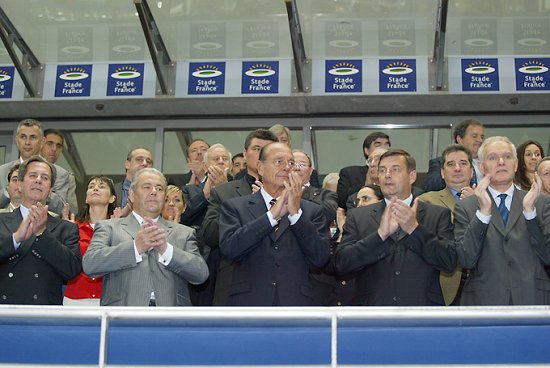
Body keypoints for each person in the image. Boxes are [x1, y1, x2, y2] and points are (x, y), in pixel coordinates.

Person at [335, 149, 456, 306]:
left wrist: (414, 229)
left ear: (412, 176)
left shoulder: (437, 215)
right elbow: (342, 265)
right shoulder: (358, 216)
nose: (387, 175)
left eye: (395, 169)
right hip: (372, 314)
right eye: (382, 170)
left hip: (422, 314)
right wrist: (379, 236)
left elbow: (449, 261)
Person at [219, 142, 330, 306]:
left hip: (295, 305)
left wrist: (296, 215)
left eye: (291, 163)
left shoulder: (312, 211)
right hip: (249, 304)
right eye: (279, 162)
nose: (287, 167)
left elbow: (320, 258)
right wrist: (271, 216)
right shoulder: (235, 207)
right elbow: (231, 249)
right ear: (260, 168)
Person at [83, 168, 208, 306]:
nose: (154, 192)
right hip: (122, 316)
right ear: (131, 193)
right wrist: (135, 247)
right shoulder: (109, 227)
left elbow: (200, 274)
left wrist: (166, 250)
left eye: (159, 189)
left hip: (170, 319)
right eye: (147, 187)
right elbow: (90, 264)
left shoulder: (184, 233)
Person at [453, 136, 550, 305]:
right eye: (492, 158)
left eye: (507, 156)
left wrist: (530, 215)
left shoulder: (540, 203)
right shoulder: (467, 207)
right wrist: (483, 214)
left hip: (533, 299)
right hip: (484, 302)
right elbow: (465, 259)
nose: (501, 162)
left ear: (516, 164)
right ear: (482, 167)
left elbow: (547, 257)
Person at [0, 155, 81, 304]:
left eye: (45, 177)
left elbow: (72, 270)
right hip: (5, 312)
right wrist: (16, 238)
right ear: (19, 184)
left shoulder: (66, 228)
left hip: (45, 314)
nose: (38, 180)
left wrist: (42, 233)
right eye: (32, 175)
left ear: (50, 190)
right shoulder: (1, 221)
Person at [417, 144, 474, 305]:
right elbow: (428, 240)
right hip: (446, 280)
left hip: (483, 281)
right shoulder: (426, 201)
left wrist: (477, 205)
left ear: (472, 170)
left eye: (463, 163)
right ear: (442, 172)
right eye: (450, 164)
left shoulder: (488, 200)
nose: (457, 168)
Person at [0, 119, 76, 215]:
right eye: (23, 137)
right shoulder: (2, 171)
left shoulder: (60, 173)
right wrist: (8, 190)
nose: (27, 142)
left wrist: (42, 189)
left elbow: (64, 210)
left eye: (33, 137)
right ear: (16, 140)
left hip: (43, 226)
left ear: (42, 141)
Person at [63, 176, 117, 306]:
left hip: (109, 298)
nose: (96, 188)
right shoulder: (73, 227)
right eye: (91, 186)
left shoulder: (119, 229)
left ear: (112, 198)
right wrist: (64, 234)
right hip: (75, 299)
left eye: (102, 186)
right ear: (86, 198)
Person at [424, 119, 484, 192]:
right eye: (474, 136)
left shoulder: (487, 164)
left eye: (482, 137)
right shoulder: (439, 162)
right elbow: (430, 186)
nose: (480, 140)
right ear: (460, 139)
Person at [180, 143, 232, 227]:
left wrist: (225, 189)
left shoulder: (241, 187)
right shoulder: (188, 190)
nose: (221, 161)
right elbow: (182, 218)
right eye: (216, 159)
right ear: (205, 166)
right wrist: (204, 195)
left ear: (231, 165)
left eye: (225, 159)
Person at [337, 132, 390, 208]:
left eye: (386, 144)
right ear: (367, 151)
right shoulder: (351, 173)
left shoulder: (397, 180)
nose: (383, 147)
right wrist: (366, 185)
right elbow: (342, 203)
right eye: (378, 145)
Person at [293, 149, 338, 227]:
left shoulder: (326, 194)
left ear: (310, 171)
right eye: (292, 164)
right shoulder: (276, 193)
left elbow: (327, 213)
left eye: (302, 165)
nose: (297, 168)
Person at [39, 129, 79, 214]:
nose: (54, 149)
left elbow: (73, 211)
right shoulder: (23, 167)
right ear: (41, 144)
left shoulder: (67, 177)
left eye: (58, 146)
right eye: (50, 144)